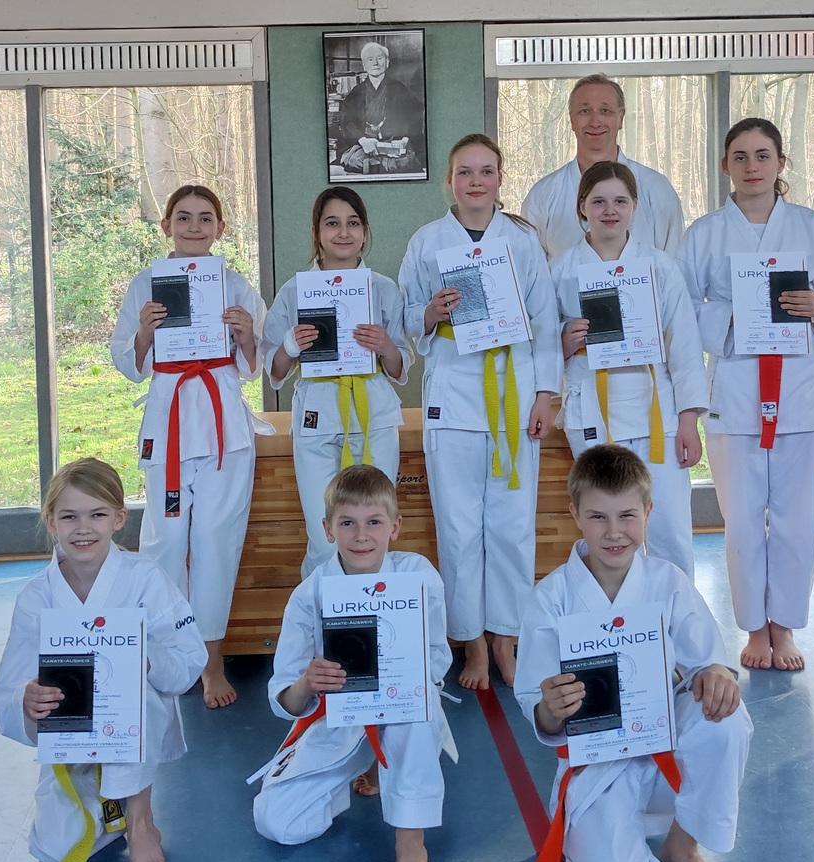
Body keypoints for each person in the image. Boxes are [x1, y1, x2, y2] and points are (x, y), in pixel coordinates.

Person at [514, 444, 753, 862]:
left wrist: (717, 673)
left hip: (665, 746)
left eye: (627, 515)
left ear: (648, 511)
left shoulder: (667, 581)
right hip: (598, 764)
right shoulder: (552, 597)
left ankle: (683, 850)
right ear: (575, 514)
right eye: (597, 517)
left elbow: (708, 660)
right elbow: (536, 707)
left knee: (725, 719)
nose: (614, 532)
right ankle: (601, 839)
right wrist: (550, 709)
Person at [679, 118, 814, 671]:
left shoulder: (812, 227)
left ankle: (785, 625)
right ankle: (754, 629)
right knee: (741, 518)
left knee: (796, 517)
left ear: (781, 163)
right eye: (740, 156)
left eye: (762, 155)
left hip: (801, 392)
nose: (751, 166)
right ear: (725, 165)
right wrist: (733, 316)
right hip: (735, 392)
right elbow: (679, 312)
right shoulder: (705, 234)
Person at [0, 458, 207, 862]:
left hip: (135, 725)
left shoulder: (145, 578)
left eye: (97, 515)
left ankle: (140, 818)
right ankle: (109, 806)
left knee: (128, 678)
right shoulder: (37, 597)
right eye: (69, 516)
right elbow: (8, 689)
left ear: (119, 519)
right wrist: (26, 698)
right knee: (52, 850)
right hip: (71, 736)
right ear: (51, 521)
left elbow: (187, 658)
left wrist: (147, 660)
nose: (83, 528)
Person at [398, 133, 562, 691]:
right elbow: (404, 321)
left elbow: (545, 321)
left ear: (499, 179)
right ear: (450, 181)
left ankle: (506, 639)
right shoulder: (427, 242)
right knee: (459, 526)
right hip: (454, 392)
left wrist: (546, 394)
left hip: (515, 389)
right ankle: (470, 643)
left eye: (486, 171)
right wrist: (431, 312)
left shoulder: (522, 240)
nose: (475, 181)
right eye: (464, 172)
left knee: (512, 526)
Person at [252, 465, 454, 862]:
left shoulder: (418, 576)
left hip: (405, 711)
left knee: (416, 705)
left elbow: (437, 658)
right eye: (347, 523)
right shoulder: (309, 595)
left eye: (374, 522)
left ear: (395, 527)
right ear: (328, 529)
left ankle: (411, 841)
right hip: (337, 719)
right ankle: (362, 768)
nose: (361, 536)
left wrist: (403, 677)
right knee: (276, 822)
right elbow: (285, 697)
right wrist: (308, 683)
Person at [111, 184, 269, 709]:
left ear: (221, 228)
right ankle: (168, 652)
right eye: (183, 217)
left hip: (224, 428)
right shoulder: (146, 284)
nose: (194, 226)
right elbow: (128, 364)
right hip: (170, 422)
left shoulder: (236, 284)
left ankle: (211, 661)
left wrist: (246, 335)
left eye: (205, 218)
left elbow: (255, 366)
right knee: (165, 542)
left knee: (218, 543)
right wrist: (144, 333)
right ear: (166, 227)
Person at [551, 160, 707, 577]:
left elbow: (684, 345)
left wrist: (688, 419)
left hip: (657, 412)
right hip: (593, 410)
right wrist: (565, 342)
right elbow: (543, 344)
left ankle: (676, 614)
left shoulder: (660, 267)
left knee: (670, 525)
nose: (610, 210)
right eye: (598, 201)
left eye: (620, 201)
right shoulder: (561, 270)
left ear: (635, 207)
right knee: (609, 528)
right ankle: (617, 610)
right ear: (582, 207)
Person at [261, 187, 410, 579]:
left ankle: (374, 605)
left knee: (374, 527)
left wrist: (385, 347)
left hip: (374, 415)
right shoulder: (294, 291)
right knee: (324, 533)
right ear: (317, 232)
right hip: (317, 416)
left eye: (353, 223)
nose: (343, 233)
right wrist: (290, 346)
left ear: (365, 231)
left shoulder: (383, 288)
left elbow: (399, 367)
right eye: (332, 223)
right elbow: (274, 370)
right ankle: (323, 613)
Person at [522, 74, 684, 261]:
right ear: (572, 120)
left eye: (605, 111)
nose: (595, 121)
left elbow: (675, 265)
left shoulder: (657, 190)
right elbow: (529, 271)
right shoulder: (543, 196)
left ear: (621, 118)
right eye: (584, 111)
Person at [336, 41, 425, 176]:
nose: (375, 63)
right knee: (355, 160)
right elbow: (347, 121)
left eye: (379, 58)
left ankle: (381, 164)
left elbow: (415, 116)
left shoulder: (400, 89)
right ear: (364, 65)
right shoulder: (356, 92)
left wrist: (405, 138)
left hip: (394, 143)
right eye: (370, 59)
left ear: (387, 62)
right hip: (365, 145)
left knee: (404, 162)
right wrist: (362, 140)